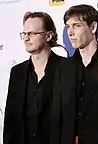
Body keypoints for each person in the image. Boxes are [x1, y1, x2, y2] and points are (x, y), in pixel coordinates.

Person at [54, 4, 98, 144]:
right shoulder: (64, 68)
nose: (70, 32)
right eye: (68, 26)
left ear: (93, 27)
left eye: (76, 25)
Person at [3, 11, 64, 144]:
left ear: (48, 36)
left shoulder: (67, 69)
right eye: (24, 34)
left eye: (32, 33)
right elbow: (10, 120)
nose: (26, 38)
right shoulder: (17, 72)